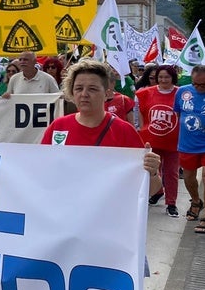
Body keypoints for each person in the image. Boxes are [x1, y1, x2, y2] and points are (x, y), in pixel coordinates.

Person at [41, 59, 162, 192]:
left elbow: (152, 190)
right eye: (78, 88)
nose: (84, 94)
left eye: (92, 89)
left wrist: (152, 172)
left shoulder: (124, 131)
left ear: (107, 93)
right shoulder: (58, 127)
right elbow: (41, 175)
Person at [137, 65, 180, 217]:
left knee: (171, 172)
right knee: (152, 170)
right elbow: (142, 115)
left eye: (167, 77)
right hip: (152, 140)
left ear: (173, 78)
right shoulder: (145, 93)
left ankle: (171, 203)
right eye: (160, 77)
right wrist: (143, 130)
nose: (163, 80)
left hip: (173, 141)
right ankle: (157, 192)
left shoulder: (180, 93)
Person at [174, 65, 205, 232]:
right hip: (188, 144)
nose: (199, 88)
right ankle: (196, 201)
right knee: (188, 178)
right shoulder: (182, 92)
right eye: (196, 84)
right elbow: (178, 114)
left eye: (203, 85)